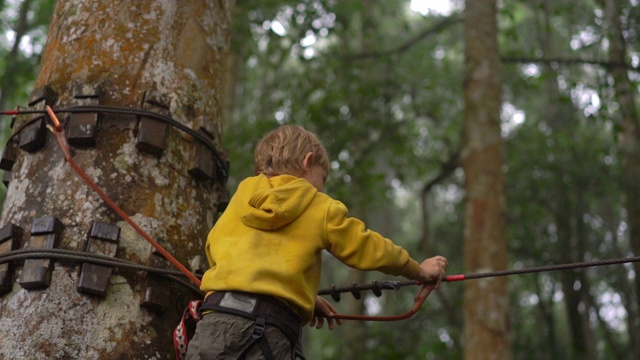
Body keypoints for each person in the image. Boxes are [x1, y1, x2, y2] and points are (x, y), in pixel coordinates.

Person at [186, 125, 448, 359]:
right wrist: (418, 269)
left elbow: (216, 247)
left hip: (213, 324)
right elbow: (366, 247)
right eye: (321, 179)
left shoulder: (244, 194)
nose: (321, 189)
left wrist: (302, 296)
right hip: (268, 334)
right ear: (307, 161)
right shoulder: (318, 205)